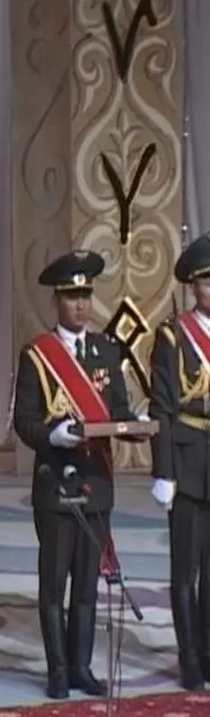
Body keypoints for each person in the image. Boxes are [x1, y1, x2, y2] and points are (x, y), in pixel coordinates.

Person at [13, 250, 141, 700]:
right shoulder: (37, 355)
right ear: (57, 301)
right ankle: (58, 669)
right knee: (54, 584)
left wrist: (137, 425)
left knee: (87, 583)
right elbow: (24, 421)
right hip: (55, 483)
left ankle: (81, 666)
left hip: (97, 481)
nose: (81, 304)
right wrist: (54, 435)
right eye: (72, 296)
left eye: (86, 295)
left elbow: (119, 411)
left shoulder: (107, 350)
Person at [149, 235, 210, 690]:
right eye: (207, 282)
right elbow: (164, 408)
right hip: (188, 460)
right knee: (185, 570)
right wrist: (164, 470)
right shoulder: (174, 336)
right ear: (193, 286)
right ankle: (189, 656)